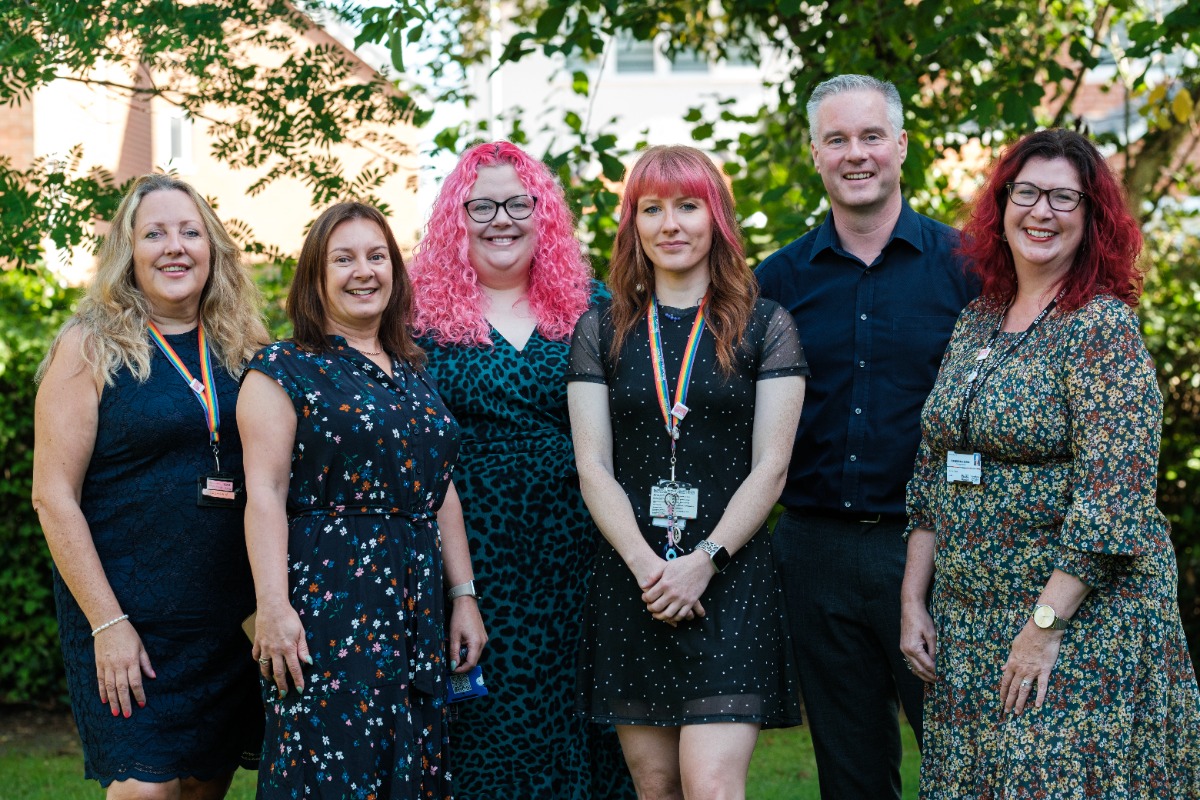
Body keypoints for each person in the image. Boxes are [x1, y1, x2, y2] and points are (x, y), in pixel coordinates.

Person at [900, 128, 1200, 797]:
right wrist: (913, 599)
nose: (1042, 212)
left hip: (1078, 625)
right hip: (970, 625)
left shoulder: (1100, 329)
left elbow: (1113, 501)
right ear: (1001, 205)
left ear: (1093, 219)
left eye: (1064, 198)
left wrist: (1043, 629)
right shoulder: (979, 318)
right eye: (1027, 193)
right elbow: (932, 470)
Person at [755, 73, 978, 799]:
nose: (856, 154)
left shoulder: (971, 271)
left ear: (901, 146)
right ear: (815, 153)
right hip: (813, 551)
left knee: (966, 762)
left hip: (939, 547)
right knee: (851, 778)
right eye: (838, 139)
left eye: (871, 136)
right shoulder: (775, 283)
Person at [568, 144, 807, 799]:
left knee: (712, 783)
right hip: (635, 579)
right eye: (652, 209)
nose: (670, 224)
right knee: (655, 785)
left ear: (717, 218)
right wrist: (652, 570)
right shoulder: (601, 329)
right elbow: (593, 465)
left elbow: (772, 467)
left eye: (688, 206)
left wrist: (703, 561)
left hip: (728, 579)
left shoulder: (765, 327)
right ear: (633, 224)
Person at [238, 202, 487, 799]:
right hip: (331, 598)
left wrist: (463, 596)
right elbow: (265, 493)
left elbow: (439, 488)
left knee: (408, 764)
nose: (363, 271)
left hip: (414, 601)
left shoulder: (413, 369)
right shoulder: (283, 367)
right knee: (334, 768)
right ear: (316, 276)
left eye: (377, 256)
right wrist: (272, 606)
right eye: (343, 259)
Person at [409, 141, 634, 799]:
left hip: (580, 553)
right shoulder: (418, 318)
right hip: (472, 556)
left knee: (583, 721)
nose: (501, 219)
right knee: (485, 728)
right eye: (481, 206)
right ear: (456, 218)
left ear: (544, 214)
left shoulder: (594, 308)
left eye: (518, 203)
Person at [31, 174, 268, 798]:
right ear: (128, 251)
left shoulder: (245, 347)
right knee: (145, 789)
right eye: (155, 233)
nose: (175, 247)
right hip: (123, 618)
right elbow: (52, 496)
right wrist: (106, 623)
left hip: (223, 619)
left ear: (213, 248)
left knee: (200, 789)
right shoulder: (89, 346)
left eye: (190, 232)